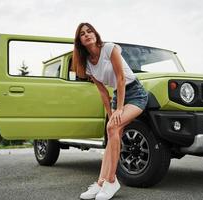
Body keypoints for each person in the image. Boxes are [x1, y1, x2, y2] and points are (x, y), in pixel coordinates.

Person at [73, 22, 148, 200]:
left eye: (89, 31)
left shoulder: (109, 48)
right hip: (117, 95)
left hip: (135, 93)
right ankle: (100, 183)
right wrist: (109, 113)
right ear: (80, 41)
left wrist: (120, 109)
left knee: (112, 128)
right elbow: (103, 91)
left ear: (95, 34)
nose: (87, 34)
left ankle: (111, 180)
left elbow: (121, 78)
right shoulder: (88, 65)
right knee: (112, 131)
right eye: (82, 34)